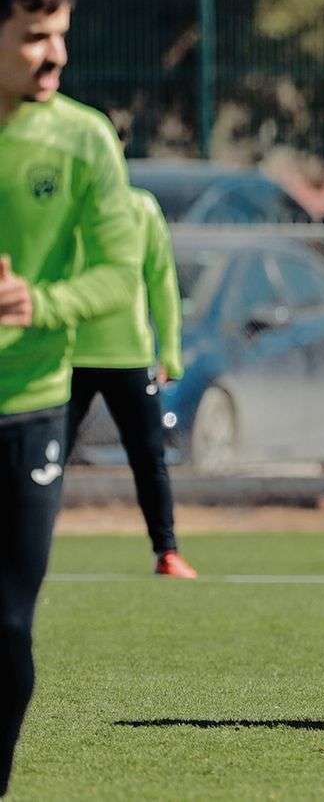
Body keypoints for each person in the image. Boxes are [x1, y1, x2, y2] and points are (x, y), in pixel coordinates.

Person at [0, 0, 141, 795]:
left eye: (59, 37)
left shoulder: (83, 136)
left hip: (29, 411)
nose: (53, 56)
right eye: (30, 39)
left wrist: (36, 304)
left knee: (7, 630)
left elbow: (119, 275)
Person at [65, 186, 196, 579]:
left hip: (130, 357)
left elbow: (161, 277)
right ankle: (18, 551)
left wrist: (170, 350)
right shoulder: (66, 206)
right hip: (68, 356)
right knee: (43, 463)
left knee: (148, 457)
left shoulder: (141, 208)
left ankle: (167, 552)